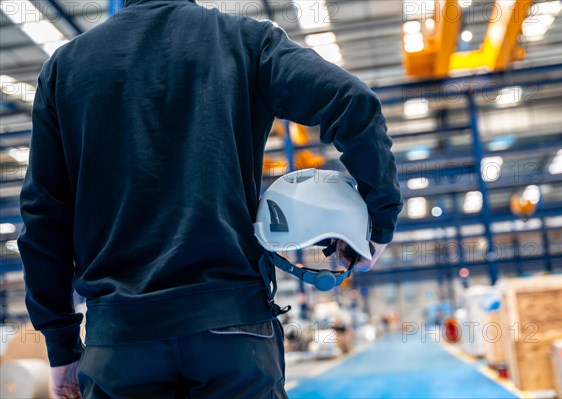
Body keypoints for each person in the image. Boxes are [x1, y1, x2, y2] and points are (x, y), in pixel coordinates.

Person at [17, 0, 402, 397]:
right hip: (233, 331)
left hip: (122, 340)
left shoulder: (65, 69)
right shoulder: (245, 42)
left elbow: (43, 215)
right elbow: (353, 101)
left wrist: (61, 345)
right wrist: (379, 221)